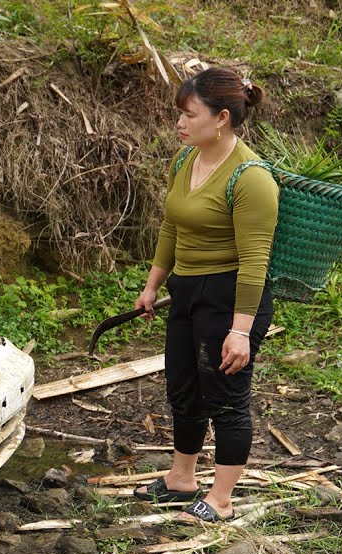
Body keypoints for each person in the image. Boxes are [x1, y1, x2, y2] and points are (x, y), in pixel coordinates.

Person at [133, 67, 278, 522]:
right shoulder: (185, 160)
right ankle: (181, 478)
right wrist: (153, 284)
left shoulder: (252, 179)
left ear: (220, 119)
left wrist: (240, 331)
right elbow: (172, 225)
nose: (179, 122)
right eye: (179, 113)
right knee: (183, 387)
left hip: (231, 295)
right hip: (187, 290)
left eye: (189, 114)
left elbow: (255, 262)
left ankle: (221, 498)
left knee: (226, 397)